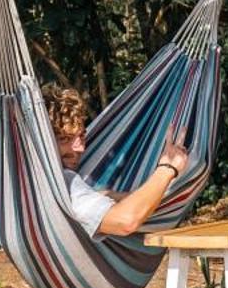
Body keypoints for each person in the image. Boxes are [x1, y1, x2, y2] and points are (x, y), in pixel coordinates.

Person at [42, 85, 191, 238]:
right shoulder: (65, 183)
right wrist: (167, 168)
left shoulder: (36, 184)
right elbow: (126, 222)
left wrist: (109, 196)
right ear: (43, 141)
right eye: (64, 139)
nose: (80, 148)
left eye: (81, 136)